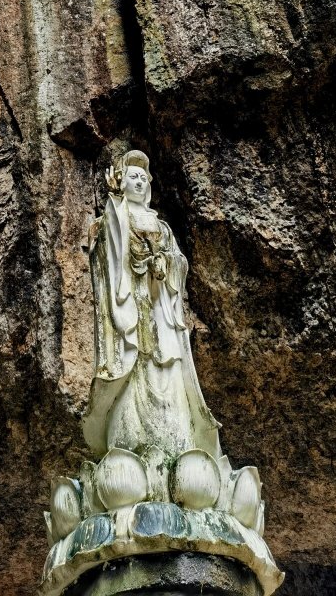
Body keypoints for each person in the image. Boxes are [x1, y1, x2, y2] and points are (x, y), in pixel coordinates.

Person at [83, 149, 220, 460]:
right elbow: (108, 257)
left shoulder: (164, 227)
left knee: (168, 368)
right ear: (120, 180)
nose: (141, 182)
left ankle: (180, 452)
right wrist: (116, 206)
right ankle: (129, 449)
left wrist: (166, 265)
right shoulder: (111, 221)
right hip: (132, 313)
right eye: (134, 176)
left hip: (161, 312)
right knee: (134, 373)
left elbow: (179, 263)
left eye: (145, 178)